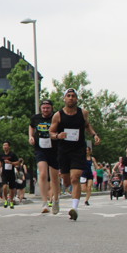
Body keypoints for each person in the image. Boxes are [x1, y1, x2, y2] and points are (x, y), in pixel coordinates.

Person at [49, 88, 101, 221]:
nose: (71, 98)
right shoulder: (58, 115)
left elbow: (87, 126)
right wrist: (58, 136)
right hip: (63, 151)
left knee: (75, 178)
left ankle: (74, 208)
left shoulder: (83, 113)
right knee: (66, 181)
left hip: (78, 150)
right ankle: (56, 198)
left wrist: (94, 135)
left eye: (73, 96)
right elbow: (51, 133)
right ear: (64, 98)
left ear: (77, 99)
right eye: (68, 96)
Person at [0, 142, 19, 208]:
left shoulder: (12, 154)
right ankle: (6, 200)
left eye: (6, 145)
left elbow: (17, 162)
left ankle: (11, 201)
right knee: (4, 186)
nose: (5, 146)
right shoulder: (2, 155)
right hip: (4, 173)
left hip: (11, 173)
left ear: (9, 147)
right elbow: (0, 162)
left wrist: (10, 162)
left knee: (11, 188)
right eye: (3, 145)